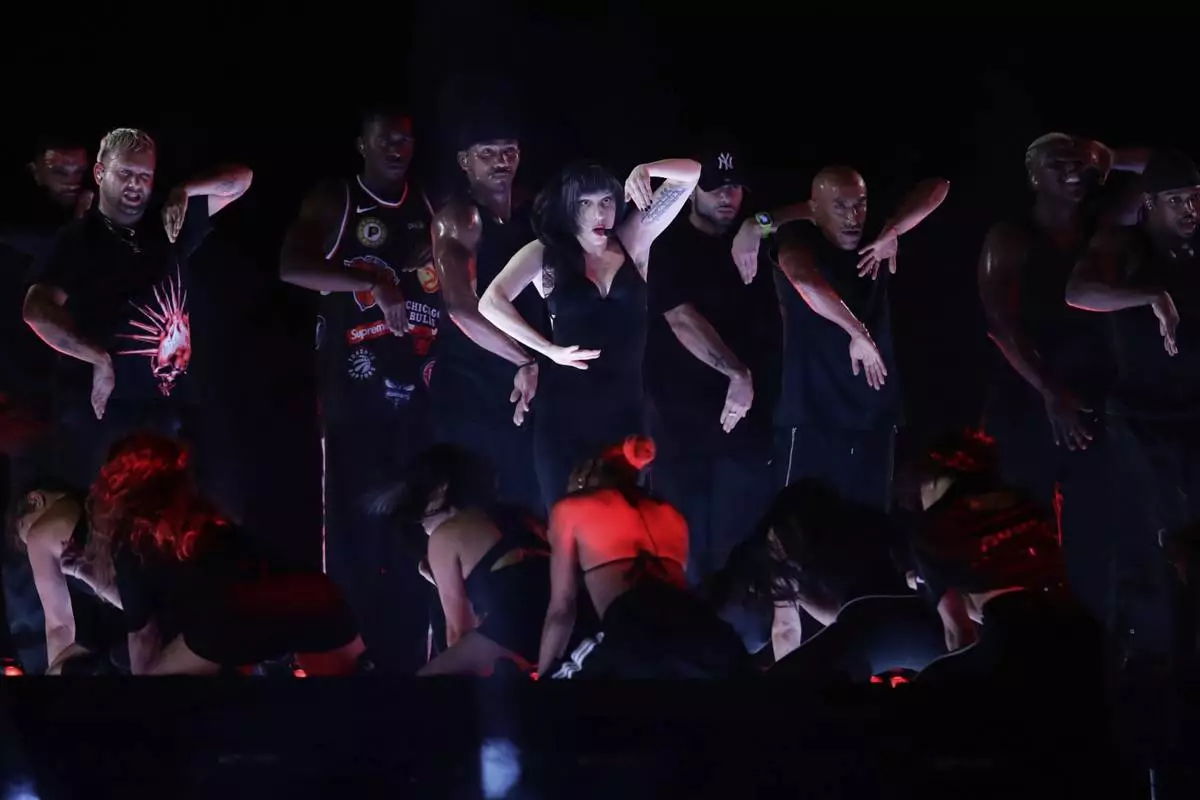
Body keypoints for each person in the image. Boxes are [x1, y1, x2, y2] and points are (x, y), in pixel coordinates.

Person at [279, 104, 441, 673]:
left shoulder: (427, 204)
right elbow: (291, 266)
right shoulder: (338, 198)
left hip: (418, 398)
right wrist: (369, 283)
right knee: (351, 536)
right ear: (363, 144)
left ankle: (410, 660)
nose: (397, 148)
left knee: (413, 533)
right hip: (352, 400)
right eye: (385, 139)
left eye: (405, 139)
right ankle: (345, 661)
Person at [979, 134, 1149, 623]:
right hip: (1029, 395)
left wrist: (1112, 156)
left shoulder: (1104, 223)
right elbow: (1000, 325)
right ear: (1033, 176)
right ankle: (1021, 631)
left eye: (1079, 162)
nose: (1073, 171)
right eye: (1059, 164)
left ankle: (1093, 634)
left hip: (1091, 396)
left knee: (1097, 529)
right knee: (1021, 525)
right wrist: (1051, 392)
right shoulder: (1011, 236)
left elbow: (1163, 168)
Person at [22, 127, 252, 487]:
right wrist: (97, 358)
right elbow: (36, 311)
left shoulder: (167, 221)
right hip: (109, 410)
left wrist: (186, 189)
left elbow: (241, 179)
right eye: (125, 173)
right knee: (111, 510)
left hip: (169, 405)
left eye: (145, 175)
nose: (135, 184)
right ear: (100, 173)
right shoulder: (79, 240)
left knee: (177, 511)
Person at [479, 157, 701, 510]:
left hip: (625, 412)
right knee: (567, 520)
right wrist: (547, 350)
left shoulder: (633, 240)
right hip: (565, 416)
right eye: (586, 203)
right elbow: (491, 302)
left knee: (626, 519)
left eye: (606, 201)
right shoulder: (545, 254)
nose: (600, 214)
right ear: (569, 207)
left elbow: (692, 175)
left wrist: (648, 169)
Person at [1066, 149, 1200, 668]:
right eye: (1177, 201)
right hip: (1143, 417)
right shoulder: (1124, 244)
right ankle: (1151, 657)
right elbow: (1079, 292)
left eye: (1195, 199)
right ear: (1150, 204)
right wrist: (1150, 296)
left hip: (1193, 412)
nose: (1190, 210)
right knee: (1153, 540)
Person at [84, 432, 367, 676]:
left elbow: (143, 636)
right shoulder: (204, 519)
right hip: (311, 596)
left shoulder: (131, 544)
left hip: (231, 623)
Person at [643, 141, 786, 585]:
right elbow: (680, 318)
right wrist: (735, 372)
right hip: (682, 425)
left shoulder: (751, 232)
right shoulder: (668, 246)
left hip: (747, 430)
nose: (727, 196)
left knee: (743, 552)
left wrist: (758, 223)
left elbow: (809, 211)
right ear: (693, 192)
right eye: (716, 188)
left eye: (735, 187)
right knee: (684, 553)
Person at [771, 166, 949, 510]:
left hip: (874, 416)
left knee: (871, 524)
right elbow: (803, 279)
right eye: (840, 207)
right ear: (815, 209)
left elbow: (938, 186)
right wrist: (857, 331)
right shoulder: (798, 237)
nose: (853, 217)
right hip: (812, 415)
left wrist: (893, 230)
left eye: (860, 205)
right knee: (802, 524)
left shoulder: (873, 233)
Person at [538, 437, 750, 678]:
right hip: (701, 629)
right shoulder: (672, 516)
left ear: (584, 476)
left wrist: (542, 679)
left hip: (638, 637)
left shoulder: (570, 509)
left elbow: (562, 610)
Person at [911, 428, 1105, 686]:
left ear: (930, 482)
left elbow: (957, 631)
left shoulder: (936, 531)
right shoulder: (1023, 503)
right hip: (1081, 635)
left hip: (1014, 656)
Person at [713, 479, 948, 681]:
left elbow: (854, 616)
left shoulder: (849, 546)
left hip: (911, 621)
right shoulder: (787, 559)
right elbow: (791, 626)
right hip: (895, 627)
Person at [430, 109, 544, 514]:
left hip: (523, 386)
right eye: (488, 153)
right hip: (472, 384)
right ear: (465, 161)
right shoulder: (460, 218)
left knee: (527, 506)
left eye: (509, 151)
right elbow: (461, 307)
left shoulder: (532, 216)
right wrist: (524, 358)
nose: (501, 161)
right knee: (474, 509)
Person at [382, 444, 551, 676]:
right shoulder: (522, 517)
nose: (419, 521)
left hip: (523, 630)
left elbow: (458, 633)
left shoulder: (446, 535)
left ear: (440, 489)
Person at [9, 478, 127, 675]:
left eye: (25, 529)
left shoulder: (39, 535)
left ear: (35, 500)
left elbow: (59, 628)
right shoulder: (96, 505)